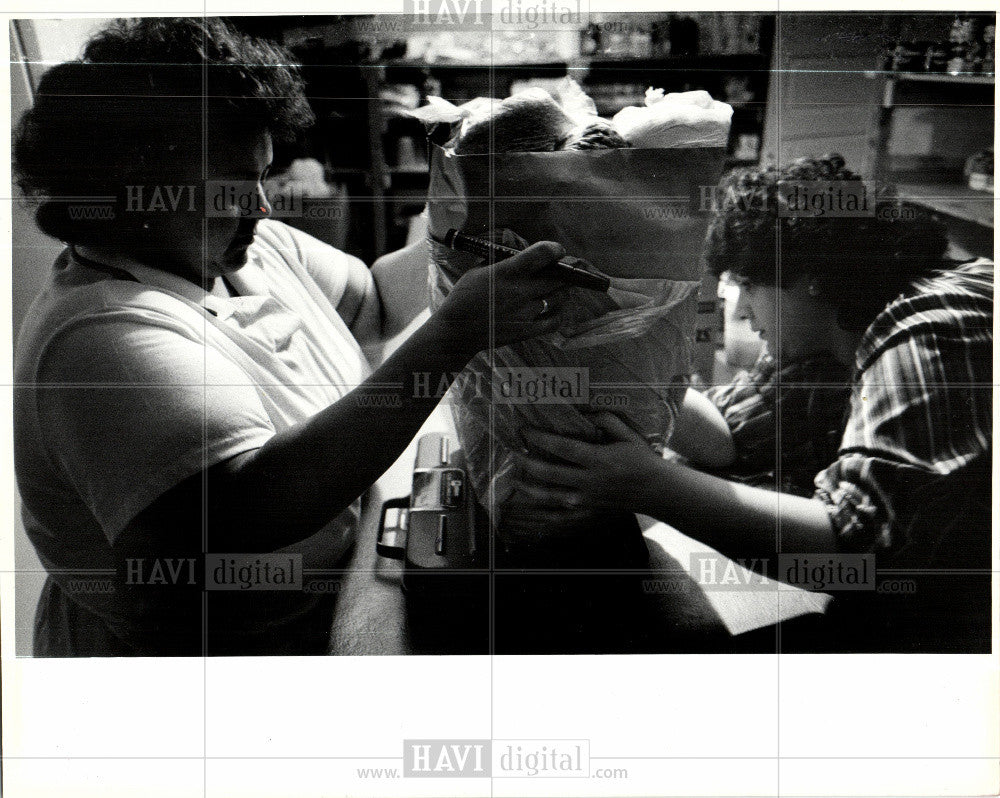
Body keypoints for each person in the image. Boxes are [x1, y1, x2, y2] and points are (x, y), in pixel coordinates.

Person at [13, 18, 583, 656]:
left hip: (346, 605)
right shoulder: (101, 335)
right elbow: (262, 504)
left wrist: (467, 218)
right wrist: (453, 336)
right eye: (231, 185)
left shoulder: (247, 250)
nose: (261, 203)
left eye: (260, 174)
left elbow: (369, 302)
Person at [515, 155, 993, 651]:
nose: (739, 310)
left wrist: (648, 485)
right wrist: (617, 359)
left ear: (805, 275)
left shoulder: (933, 329)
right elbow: (728, 434)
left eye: (746, 285)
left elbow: (855, 555)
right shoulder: (834, 326)